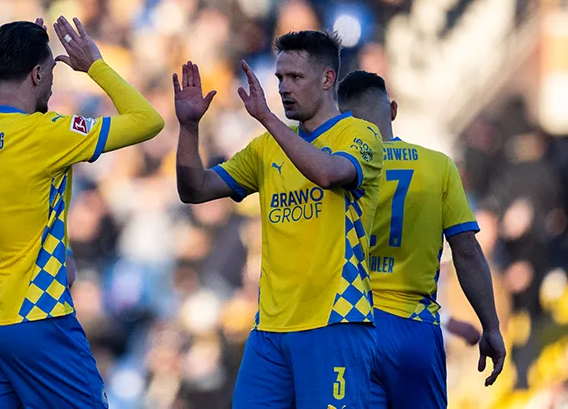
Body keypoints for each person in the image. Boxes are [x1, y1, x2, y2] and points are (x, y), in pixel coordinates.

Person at [0, 16, 164, 408]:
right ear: (35, 74)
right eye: (49, 73)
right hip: (35, 318)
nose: (53, 82)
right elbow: (148, 121)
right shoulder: (48, 136)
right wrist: (94, 65)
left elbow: (18, 193)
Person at [174, 30, 383, 408]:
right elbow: (195, 189)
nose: (284, 87)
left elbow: (328, 173)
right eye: (280, 78)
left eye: (296, 78)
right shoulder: (265, 148)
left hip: (335, 321)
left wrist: (267, 118)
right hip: (270, 330)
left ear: (327, 79)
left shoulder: (360, 134)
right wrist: (189, 129)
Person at [337, 70, 506, 408]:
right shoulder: (439, 167)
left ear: (343, 123)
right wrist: (491, 326)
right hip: (414, 331)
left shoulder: (333, 173)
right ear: (393, 110)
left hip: (350, 325)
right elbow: (468, 252)